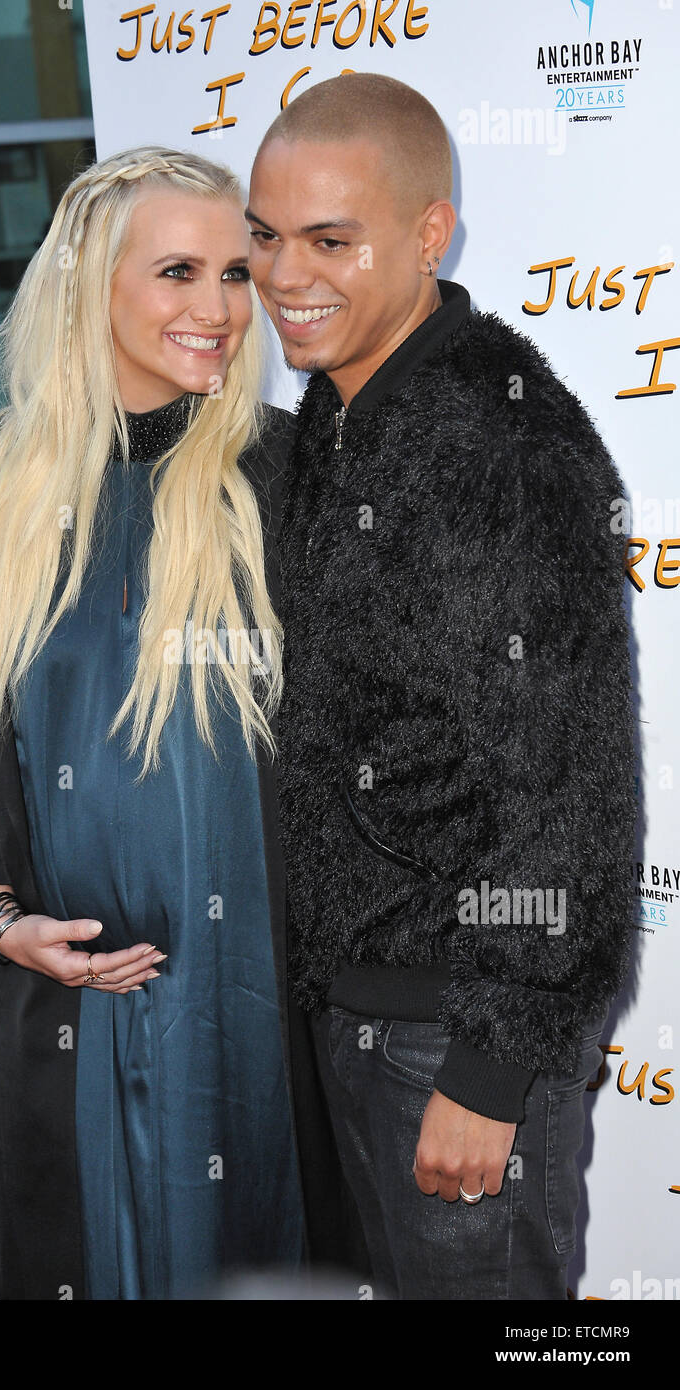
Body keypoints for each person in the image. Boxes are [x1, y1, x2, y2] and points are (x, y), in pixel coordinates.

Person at [0, 146, 309, 1300]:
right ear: (89, 282)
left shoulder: (287, 475)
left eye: (236, 272)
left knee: (261, 1261)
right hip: (55, 1004)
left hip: (255, 1006)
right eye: (179, 270)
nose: (218, 309)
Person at [245, 73, 636, 1299]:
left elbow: (570, 794)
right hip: (362, 1016)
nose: (283, 275)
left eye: (330, 240)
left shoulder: (495, 446)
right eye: (264, 235)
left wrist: (488, 1066)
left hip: (450, 1041)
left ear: (429, 235)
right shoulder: (342, 407)